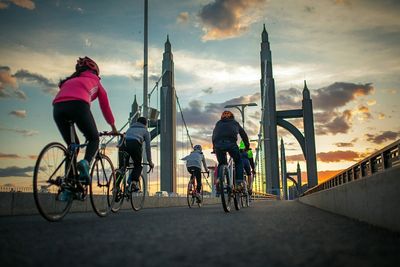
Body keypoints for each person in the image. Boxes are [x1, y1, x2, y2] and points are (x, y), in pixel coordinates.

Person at [53, 56, 117, 189]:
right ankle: (86, 163)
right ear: (95, 73)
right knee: (93, 138)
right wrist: (113, 127)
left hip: (58, 108)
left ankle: (68, 185)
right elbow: (105, 107)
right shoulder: (96, 83)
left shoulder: (70, 81)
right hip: (79, 105)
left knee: (72, 146)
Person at [212, 110, 250, 190]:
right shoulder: (235, 123)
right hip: (231, 144)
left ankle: (219, 179)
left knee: (222, 163)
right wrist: (247, 146)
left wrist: (214, 148)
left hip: (218, 144)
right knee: (238, 161)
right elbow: (244, 135)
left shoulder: (218, 123)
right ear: (232, 116)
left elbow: (214, 135)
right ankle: (239, 182)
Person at [117, 117, 154, 192]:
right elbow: (148, 147)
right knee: (137, 166)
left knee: (122, 167)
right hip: (135, 145)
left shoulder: (129, 129)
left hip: (123, 145)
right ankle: (133, 182)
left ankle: (116, 185)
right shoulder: (145, 131)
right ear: (146, 124)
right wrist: (150, 162)